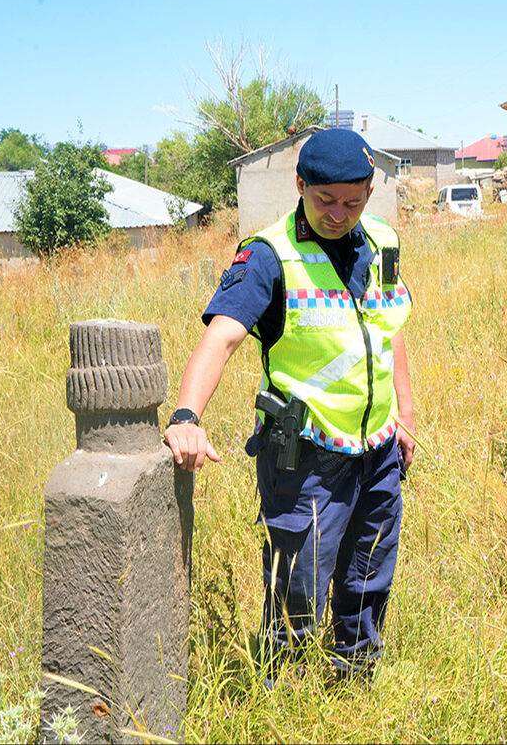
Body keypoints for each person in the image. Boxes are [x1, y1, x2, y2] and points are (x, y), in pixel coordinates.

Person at [162, 127, 415, 681]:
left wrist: (405, 419)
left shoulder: (382, 242)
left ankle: (355, 679)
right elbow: (222, 336)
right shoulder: (268, 256)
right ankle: (284, 689)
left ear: (370, 191)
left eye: (352, 201)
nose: (337, 213)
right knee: (298, 586)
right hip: (305, 456)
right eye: (324, 199)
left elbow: (389, 329)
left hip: (376, 449)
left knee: (367, 573)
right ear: (300, 184)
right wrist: (186, 416)